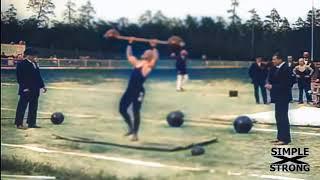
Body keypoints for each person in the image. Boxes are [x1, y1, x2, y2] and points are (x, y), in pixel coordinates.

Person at [119, 38, 159, 141]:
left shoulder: (149, 66)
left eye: (147, 52)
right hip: (129, 90)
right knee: (122, 109)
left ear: (150, 56)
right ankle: (131, 128)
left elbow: (155, 58)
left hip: (138, 92)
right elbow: (129, 55)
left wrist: (154, 47)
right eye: (145, 52)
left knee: (135, 111)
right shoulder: (137, 63)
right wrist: (130, 43)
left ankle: (135, 134)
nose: (144, 52)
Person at [15, 48, 47, 129]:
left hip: (35, 89)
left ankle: (31, 123)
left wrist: (42, 86)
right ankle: (19, 124)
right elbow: (20, 78)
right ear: (28, 56)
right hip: (26, 89)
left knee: (33, 107)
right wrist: (24, 88)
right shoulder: (21, 64)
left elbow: (38, 76)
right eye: (33, 55)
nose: (35, 57)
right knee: (22, 107)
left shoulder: (35, 63)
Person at [265, 52, 291, 145]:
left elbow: (286, 85)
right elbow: (272, 78)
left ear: (280, 59)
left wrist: (272, 87)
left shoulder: (286, 69)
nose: (273, 61)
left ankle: (285, 139)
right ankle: (280, 137)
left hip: (283, 97)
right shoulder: (276, 68)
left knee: (283, 117)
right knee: (278, 117)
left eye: (274, 59)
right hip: (278, 97)